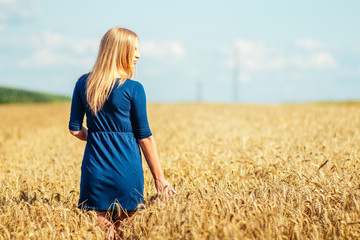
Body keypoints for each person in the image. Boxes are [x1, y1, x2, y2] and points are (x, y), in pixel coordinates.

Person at [68, 27, 176, 239]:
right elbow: (144, 136)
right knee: (124, 234)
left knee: (102, 235)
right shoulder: (134, 88)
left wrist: (97, 136)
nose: (138, 55)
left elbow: (74, 129)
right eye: (134, 49)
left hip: (94, 171)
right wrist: (159, 179)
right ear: (120, 51)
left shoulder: (83, 84)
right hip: (128, 172)